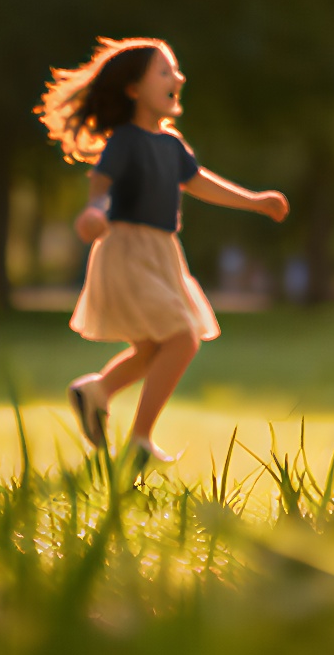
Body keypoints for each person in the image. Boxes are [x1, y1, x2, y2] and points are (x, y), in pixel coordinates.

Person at [41, 37, 288, 466]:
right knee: (182, 338)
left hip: (162, 252)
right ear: (134, 89)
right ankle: (139, 440)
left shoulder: (171, 145)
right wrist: (93, 213)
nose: (178, 78)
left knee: (153, 349)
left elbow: (199, 182)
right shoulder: (125, 142)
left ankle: (96, 391)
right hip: (127, 249)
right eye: (164, 71)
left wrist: (253, 201)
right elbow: (100, 185)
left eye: (175, 70)